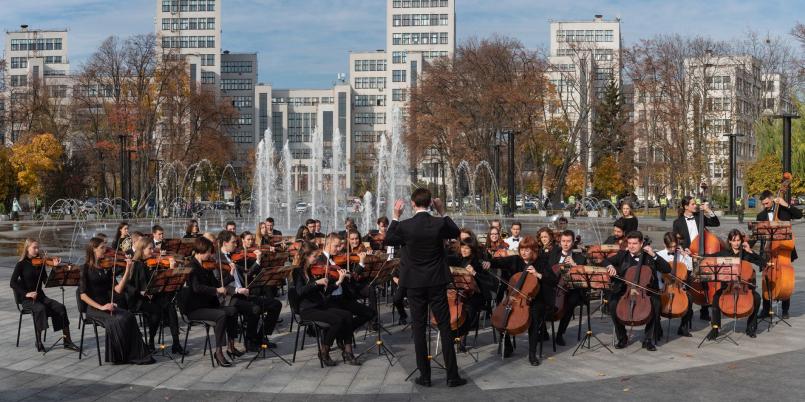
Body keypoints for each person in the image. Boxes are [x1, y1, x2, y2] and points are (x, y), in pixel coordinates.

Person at [385, 188, 467, 387]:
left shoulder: (405, 225)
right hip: (437, 281)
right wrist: (442, 211)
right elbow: (456, 232)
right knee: (445, 327)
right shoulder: (438, 223)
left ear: (413, 204)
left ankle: (425, 376)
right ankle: (452, 376)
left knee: (419, 328)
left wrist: (395, 217)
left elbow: (388, 240)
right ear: (431, 203)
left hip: (414, 283)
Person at [79, 237, 154, 364]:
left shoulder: (105, 268)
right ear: (93, 249)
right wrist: (101, 307)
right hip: (94, 309)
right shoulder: (85, 268)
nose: (106, 251)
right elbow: (82, 295)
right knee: (119, 320)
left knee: (129, 316)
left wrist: (127, 270)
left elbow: (118, 290)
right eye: (102, 248)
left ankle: (134, 353)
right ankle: (120, 355)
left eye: (105, 247)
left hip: (108, 306)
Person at [489, 236, 556, 366]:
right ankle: (507, 346)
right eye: (521, 250)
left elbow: (553, 280)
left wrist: (538, 275)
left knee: (534, 319)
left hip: (537, 298)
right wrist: (488, 263)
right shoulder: (515, 260)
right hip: (516, 298)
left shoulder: (541, 262)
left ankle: (532, 354)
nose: (523, 253)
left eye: (527, 250)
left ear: (534, 251)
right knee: (503, 317)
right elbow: (498, 262)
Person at [292, 242, 361, 366]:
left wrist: (338, 282)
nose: (318, 259)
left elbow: (325, 291)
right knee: (337, 320)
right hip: (307, 310)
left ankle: (348, 351)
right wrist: (316, 283)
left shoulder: (313, 271)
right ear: (306, 256)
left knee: (347, 315)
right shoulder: (298, 271)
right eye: (315, 256)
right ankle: (324, 352)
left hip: (319, 306)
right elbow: (299, 292)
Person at [604, 231, 670, 351]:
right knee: (613, 303)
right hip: (625, 290)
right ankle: (622, 337)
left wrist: (654, 254)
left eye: (634, 243)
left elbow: (667, 268)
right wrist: (610, 266)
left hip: (646, 291)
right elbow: (605, 261)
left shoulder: (649, 256)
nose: (631, 246)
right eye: (629, 243)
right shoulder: (623, 255)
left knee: (656, 303)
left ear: (641, 244)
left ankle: (648, 339)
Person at [10, 239, 79, 352]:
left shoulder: (40, 264)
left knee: (60, 307)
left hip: (41, 297)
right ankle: (38, 341)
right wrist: (26, 293)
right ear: (27, 248)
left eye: (38, 248)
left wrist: (55, 268)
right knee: (40, 308)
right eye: (34, 248)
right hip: (27, 300)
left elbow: (46, 281)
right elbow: (12, 283)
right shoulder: (21, 264)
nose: (37, 250)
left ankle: (67, 341)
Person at [183, 237, 239, 367]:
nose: (210, 255)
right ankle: (218, 352)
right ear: (201, 251)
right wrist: (216, 290)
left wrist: (230, 274)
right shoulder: (191, 267)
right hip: (195, 309)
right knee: (221, 315)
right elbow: (197, 288)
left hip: (208, 305)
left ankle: (231, 346)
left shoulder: (206, 266)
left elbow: (218, 284)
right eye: (208, 251)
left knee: (232, 310)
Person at [127, 237, 185, 354]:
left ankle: (176, 343)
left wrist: (171, 269)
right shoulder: (136, 264)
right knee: (156, 311)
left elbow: (161, 280)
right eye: (150, 248)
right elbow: (128, 286)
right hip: (139, 299)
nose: (153, 251)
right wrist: (140, 292)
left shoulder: (152, 263)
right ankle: (151, 341)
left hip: (153, 295)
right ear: (142, 250)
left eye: (153, 248)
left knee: (170, 307)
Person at [214, 231, 267, 352]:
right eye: (233, 242)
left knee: (267, 304)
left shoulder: (231, 256)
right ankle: (249, 341)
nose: (236, 245)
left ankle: (255, 339)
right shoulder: (217, 259)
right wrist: (238, 290)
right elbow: (219, 284)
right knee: (255, 309)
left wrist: (258, 260)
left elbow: (246, 272)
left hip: (240, 294)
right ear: (224, 243)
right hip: (228, 297)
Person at [705, 229, 762, 339]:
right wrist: (695, 256)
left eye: (738, 240)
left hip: (744, 288)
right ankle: (715, 328)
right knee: (716, 298)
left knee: (757, 298)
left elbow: (762, 263)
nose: (737, 243)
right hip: (728, 287)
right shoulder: (724, 254)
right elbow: (709, 257)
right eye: (734, 240)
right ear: (729, 241)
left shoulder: (745, 254)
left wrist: (751, 251)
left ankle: (751, 327)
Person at [756, 189, 802, 319]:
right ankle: (765, 309)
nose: (765, 206)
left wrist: (786, 204)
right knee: (766, 279)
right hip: (768, 252)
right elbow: (758, 234)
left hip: (783, 254)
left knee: (784, 280)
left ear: (772, 199)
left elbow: (799, 215)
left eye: (766, 203)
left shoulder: (783, 210)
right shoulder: (760, 216)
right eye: (763, 204)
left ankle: (785, 310)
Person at [672, 195, 720, 321]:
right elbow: (676, 240)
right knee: (690, 283)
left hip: (703, 253)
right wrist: (683, 249)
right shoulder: (678, 222)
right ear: (686, 206)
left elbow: (716, 223)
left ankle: (705, 310)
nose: (696, 206)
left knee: (705, 282)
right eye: (693, 204)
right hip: (688, 255)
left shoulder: (700, 216)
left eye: (695, 204)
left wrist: (708, 210)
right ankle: (688, 312)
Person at [446, 237, 495, 350]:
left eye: (467, 248)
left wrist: (474, 273)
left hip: (477, 295)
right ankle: (452, 331)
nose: (464, 250)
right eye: (462, 247)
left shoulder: (478, 262)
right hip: (460, 293)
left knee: (469, 307)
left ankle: (461, 337)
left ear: (472, 249)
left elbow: (489, 283)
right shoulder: (458, 259)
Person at [321, 233, 376, 331]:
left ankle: (346, 331)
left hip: (344, 297)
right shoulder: (320, 260)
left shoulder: (334, 259)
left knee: (370, 313)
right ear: (327, 244)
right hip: (330, 301)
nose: (339, 249)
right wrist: (339, 280)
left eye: (339, 246)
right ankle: (344, 334)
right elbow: (322, 288)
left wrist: (357, 266)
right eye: (336, 246)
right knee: (346, 316)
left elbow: (351, 276)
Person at [238, 231, 283, 340]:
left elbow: (262, 269)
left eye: (252, 239)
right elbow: (247, 275)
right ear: (242, 240)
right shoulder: (239, 257)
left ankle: (262, 335)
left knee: (275, 302)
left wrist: (270, 255)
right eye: (248, 239)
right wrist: (258, 260)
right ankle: (252, 337)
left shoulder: (253, 252)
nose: (251, 241)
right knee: (260, 301)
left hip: (256, 286)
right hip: (245, 290)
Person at [548, 230, 587, 346]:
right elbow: (548, 270)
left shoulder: (580, 258)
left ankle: (560, 334)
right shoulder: (554, 253)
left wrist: (575, 266)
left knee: (571, 302)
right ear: (560, 242)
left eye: (568, 241)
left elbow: (583, 278)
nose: (565, 244)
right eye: (563, 241)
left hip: (571, 289)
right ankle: (543, 331)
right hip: (553, 286)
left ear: (573, 242)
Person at [655, 232, 694, 337]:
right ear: (664, 244)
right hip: (664, 287)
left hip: (679, 287)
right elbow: (658, 276)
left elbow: (690, 268)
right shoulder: (659, 255)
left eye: (674, 246)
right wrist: (660, 288)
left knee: (689, 298)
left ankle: (683, 327)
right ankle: (657, 328)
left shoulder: (681, 255)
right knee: (655, 301)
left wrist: (685, 255)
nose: (673, 249)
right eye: (670, 247)